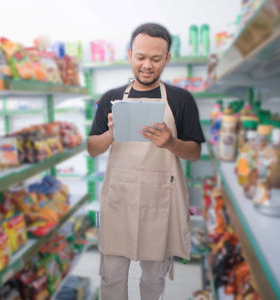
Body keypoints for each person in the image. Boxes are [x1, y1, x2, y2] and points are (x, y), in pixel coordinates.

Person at [87, 23, 205, 300]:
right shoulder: (111, 99)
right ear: (130, 55)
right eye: (141, 57)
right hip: (119, 200)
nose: (147, 65)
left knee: (153, 280)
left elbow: (194, 152)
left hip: (159, 201)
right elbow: (92, 148)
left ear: (167, 59)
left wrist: (171, 143)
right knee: (112, 277)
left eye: (156, 58)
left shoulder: (180, 99)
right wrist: (111, 134)